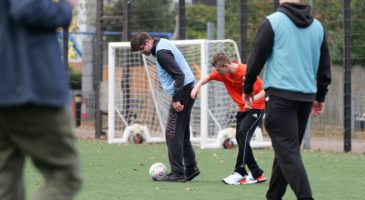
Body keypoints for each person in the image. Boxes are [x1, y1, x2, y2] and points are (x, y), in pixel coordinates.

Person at [243, 0, 331, 199]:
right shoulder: (317, 27)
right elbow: (324, 66)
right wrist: (320, 95)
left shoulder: (273, 22)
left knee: (288, 152)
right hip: (305, 98)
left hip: (280, 98)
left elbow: (257, 56)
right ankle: (273, 196)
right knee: (286, 151)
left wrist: (247, 88)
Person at [0, 0, 82, 200]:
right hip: (29, 86)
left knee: (6, 183)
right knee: (66, 176)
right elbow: (26, 8)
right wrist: (65, 8)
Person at [130, 32, 200, 182]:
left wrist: (176, 100)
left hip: (183, 92)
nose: (143, 53)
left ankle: (177, 173)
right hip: (187, 90)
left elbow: (179, 75)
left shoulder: (161, 53)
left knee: (172, 133)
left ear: (148, 41)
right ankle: (191, 167)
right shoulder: (162, 44)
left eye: (142, 49)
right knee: (181, 132)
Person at [191, 53, 266, 185]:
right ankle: (257, 174)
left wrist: (252, 100)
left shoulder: (245, 72)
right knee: (241, 139)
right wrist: (197, 87)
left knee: (242, 134)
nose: (217, 73)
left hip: (257, 107)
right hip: (242, 109)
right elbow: (207, 78)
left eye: (219, 70)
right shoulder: (222, 73)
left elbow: (266, 90)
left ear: (226, 66)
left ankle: (240, 173)